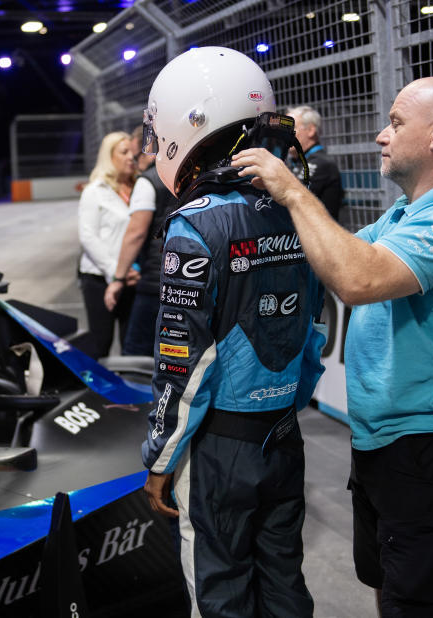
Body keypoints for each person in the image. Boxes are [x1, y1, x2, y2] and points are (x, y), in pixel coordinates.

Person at [232, 76, 433, 616]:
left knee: (423, 603)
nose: (382, 135)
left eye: (396, 123)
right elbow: (338, 254)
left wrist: (291, 190)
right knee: (390, 584)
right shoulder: (406, 213)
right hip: (386, 440)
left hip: (431, 444)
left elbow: (357, 278)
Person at [139, 47, 327, 617]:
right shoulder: (298, 209)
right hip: (283, 436)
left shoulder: (194, 225)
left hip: (219, 448)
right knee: (284, 583)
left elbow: (181, 362)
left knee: (220, 594)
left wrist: (160, 457)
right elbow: (312, 340)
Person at [103, 126, 177, 356]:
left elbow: (136, 233)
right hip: (185, 278)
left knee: (136, 351)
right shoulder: (184, 174)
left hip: (154, 282)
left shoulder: (148, 181)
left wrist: (118, 278)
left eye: (134, 153)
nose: (132, 160)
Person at [78, 131, 137, 359]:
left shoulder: (139, 188)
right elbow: (88, 237)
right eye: (124, 152)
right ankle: (96, 394)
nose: (131, 156)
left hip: (132, 279)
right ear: (108, 157)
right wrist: (116, 272)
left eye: (132, 151)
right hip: (99, 279)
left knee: (130, 344)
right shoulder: (95, 191)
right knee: (100, 345)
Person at [286, 105, 345, 220]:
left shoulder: (323, 163)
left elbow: (292, 196)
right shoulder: (293, 161)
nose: (285, 134)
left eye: (291, 128)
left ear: (311, 130)